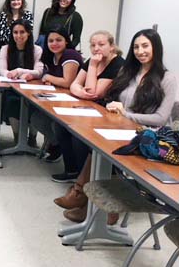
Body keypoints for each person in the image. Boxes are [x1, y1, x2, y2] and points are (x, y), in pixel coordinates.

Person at [56, 29, 177, 224]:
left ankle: (87, 200)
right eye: (136, 47)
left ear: (156, 48)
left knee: (99, 149)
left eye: (145, 46)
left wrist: (126, 114)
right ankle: (87, 201)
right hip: (122, 128)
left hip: (148, 136)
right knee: (91, 142)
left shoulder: (168, 78)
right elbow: (110, 97)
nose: (140, 51)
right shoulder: (128, 72)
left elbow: (161, 118)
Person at [51, 31, 124, 183]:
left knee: (80, 136)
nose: (96, 48)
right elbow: (74, 85)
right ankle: (72, 171)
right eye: (93, 45)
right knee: (60, 125)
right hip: (90, 106)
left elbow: (94, 92)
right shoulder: (93, 60)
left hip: (109, 112)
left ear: (112, 47)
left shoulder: (117, 64)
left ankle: (85, 179)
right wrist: (80, 92)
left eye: (101, 44)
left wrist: (92, 66)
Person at [30, 26, 83, 162]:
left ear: (66, 41)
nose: (54, 43)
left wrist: (48, 78)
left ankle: (66, 152)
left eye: (58, 40)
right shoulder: (52, 57)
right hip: (61, 99)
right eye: (50, 41)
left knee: (56, 125)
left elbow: (67, 82)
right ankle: (57, 144)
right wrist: (51, 80)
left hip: (77, 103)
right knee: (37, 118)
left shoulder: (70, 54)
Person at [0, 19, 44, 142]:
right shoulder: (5, 49)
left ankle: (32, 137)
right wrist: (8, 74)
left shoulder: (37, 50)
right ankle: (17, 137)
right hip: (12, 88)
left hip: (32, 89)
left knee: (36, 105)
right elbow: (2, 70)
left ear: (28, 33)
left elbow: (39, 71)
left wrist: (19, 70)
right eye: (15, 32)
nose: (18, 36)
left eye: (22, 32)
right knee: (11, 102)